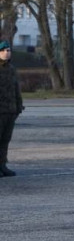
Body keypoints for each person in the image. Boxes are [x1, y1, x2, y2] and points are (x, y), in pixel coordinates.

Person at [0, 39, 24, 177]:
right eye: (3, 51)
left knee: (5, 140)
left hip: (10, 110)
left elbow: (16, 89)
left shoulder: (11, 69)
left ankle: (2, 165)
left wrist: (18, 106)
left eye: (8, 50)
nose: (6, 53)